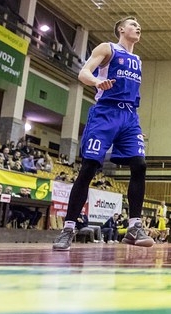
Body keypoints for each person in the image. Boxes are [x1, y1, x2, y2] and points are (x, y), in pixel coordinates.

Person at [52, 16, 154, 251]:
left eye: (139, 25)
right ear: (121, 29)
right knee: (89, 167)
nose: (138, 27)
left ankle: (134, 227)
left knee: (139, 165)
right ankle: (68, 228)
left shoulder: (137, 60)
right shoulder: (108, 48)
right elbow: (83, 73)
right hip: (106, 113)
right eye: (133, 24)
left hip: (130, 116)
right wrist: (97, 81)